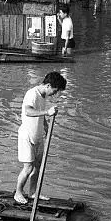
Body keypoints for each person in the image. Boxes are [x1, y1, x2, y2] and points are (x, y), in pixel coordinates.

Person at [14, 71, 67, 204]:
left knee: (37, 166)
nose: (55, 94)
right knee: (28, 168)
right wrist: (47, 112)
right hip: (27, 136)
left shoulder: (43, 96)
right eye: (55, 91)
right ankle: (18, 193)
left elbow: (40, 115)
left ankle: (32, 192)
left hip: (38, 136)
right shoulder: (32, 94)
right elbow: (28, 111)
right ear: (48, 85)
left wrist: (45, 125)